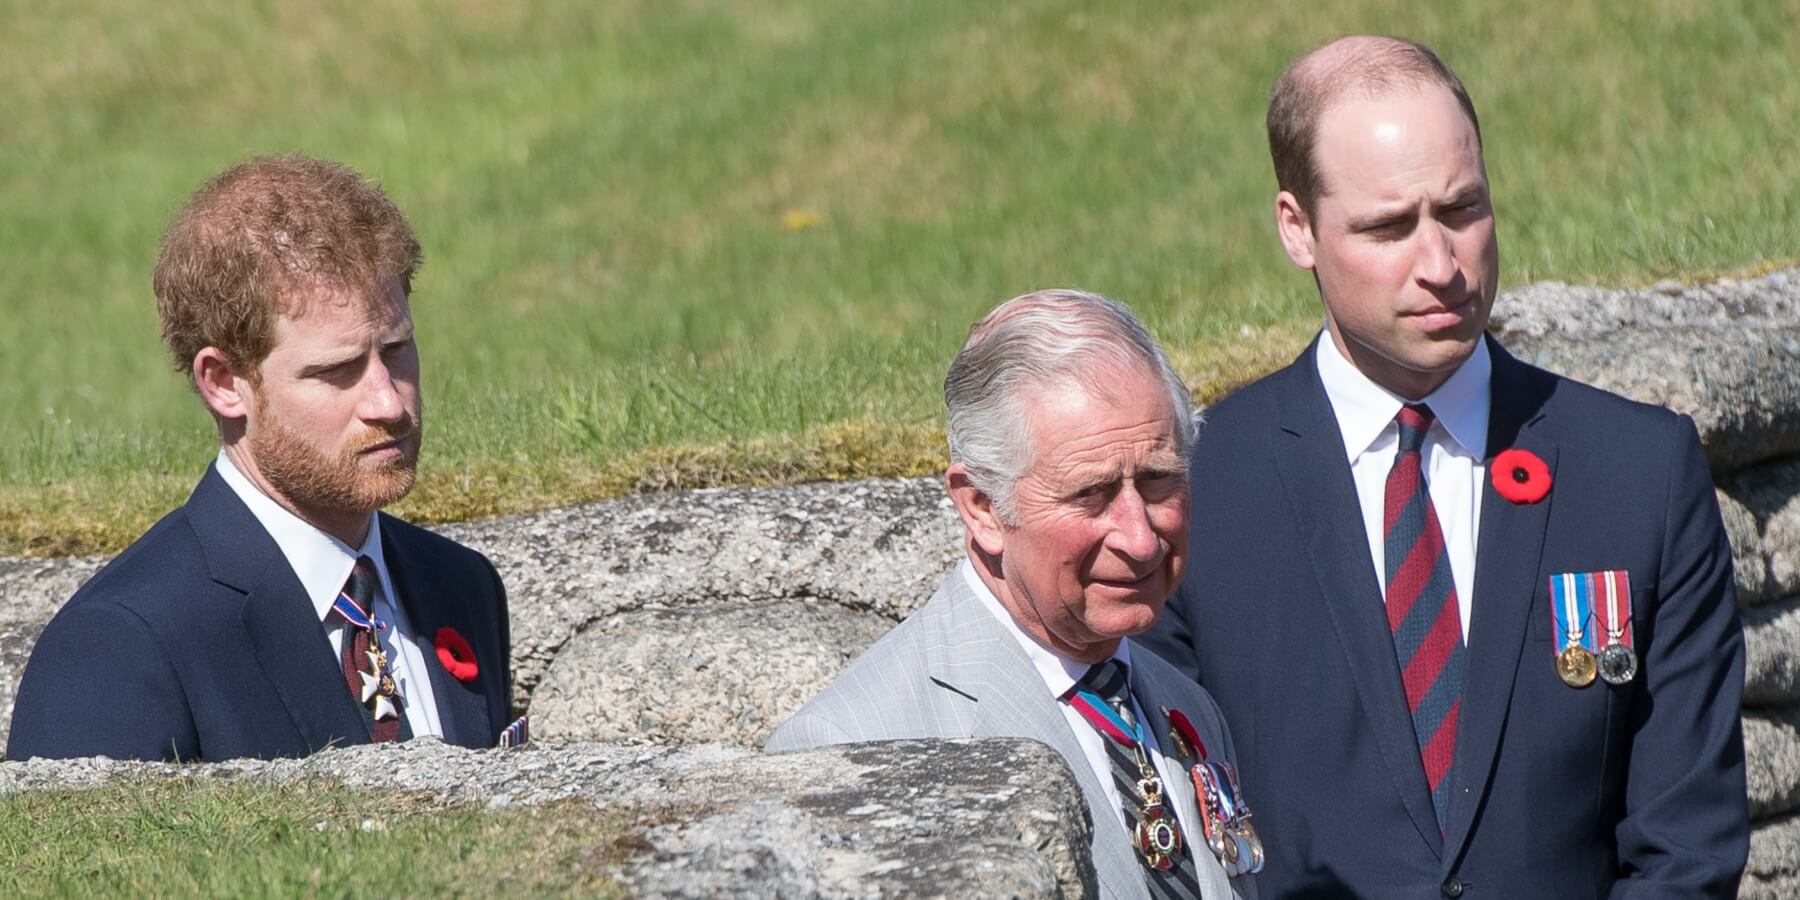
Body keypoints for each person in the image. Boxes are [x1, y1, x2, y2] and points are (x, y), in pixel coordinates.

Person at [1138, 36, 1747, 898]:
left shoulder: (1639, 474)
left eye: (1462, 210)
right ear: (1296, 229)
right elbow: (1172, 843)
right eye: (1387, 227)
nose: (1440, 265)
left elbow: (1687, 845)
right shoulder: (1201, 489)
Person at [8, 155, 517, 761]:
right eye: (335, 371)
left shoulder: (462, 586)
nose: (388, 401)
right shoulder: (120, 646)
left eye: (397, 349)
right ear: (224, 382)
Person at [769, 289, 1259, 900]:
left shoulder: (1181, 704)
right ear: (982, 508)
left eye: (1159, 479)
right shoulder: (846, 752)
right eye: (1092, 494)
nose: (1139, 538)